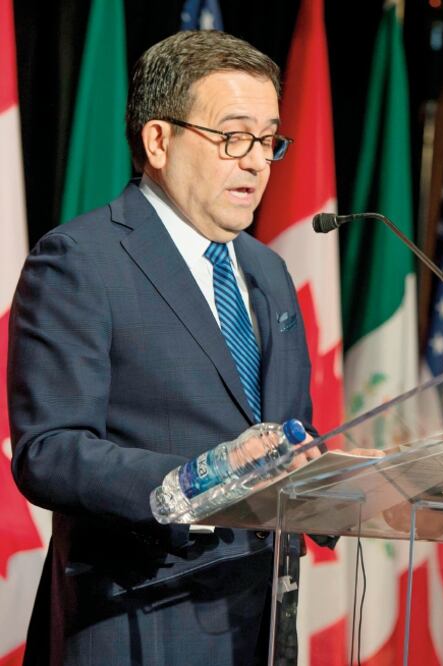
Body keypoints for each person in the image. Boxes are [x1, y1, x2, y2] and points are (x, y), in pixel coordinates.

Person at [8, 31, 313, 665]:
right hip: (138, 613)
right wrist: (188, 481)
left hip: (260, 617)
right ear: (158, 140)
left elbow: (285, 432)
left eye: (267, 140)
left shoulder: (269, 271)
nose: (256, 161)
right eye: (233, 137)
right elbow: (49, 450)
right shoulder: (81, 260)